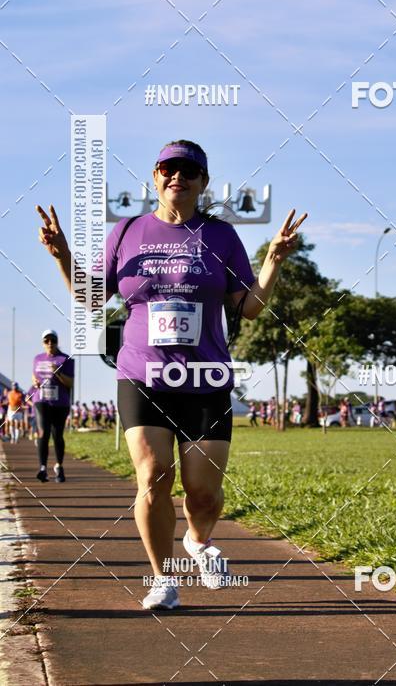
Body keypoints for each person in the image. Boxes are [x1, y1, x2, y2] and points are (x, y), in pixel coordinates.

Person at [36, 138, 306, 611]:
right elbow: (92, 296)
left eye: (187, 170)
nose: (176, 176)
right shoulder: (126, 232)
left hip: (205, 377)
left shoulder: (221, 236)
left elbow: (250, 307)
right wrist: (62, 254)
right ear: (155, 176)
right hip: (143, 374)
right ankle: (162, 578)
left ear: (202, 182)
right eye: (167, 168)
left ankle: (198, 543)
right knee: (155, 475)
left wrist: (273, 263)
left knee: (204, 492)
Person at [28, 330, 74, 482]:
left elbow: (70, 383)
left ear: (57, 342)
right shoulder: (37, 358)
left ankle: (59, 466)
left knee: (57, 435)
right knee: (43, 432)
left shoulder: (66, 359)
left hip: (60, 402)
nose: (50, 344)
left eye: (53, 341)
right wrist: (34, 382)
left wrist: (58, 372)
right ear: (43, 342)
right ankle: (42, 468)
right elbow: (34, 376)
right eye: (46, 341)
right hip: (41, 400)